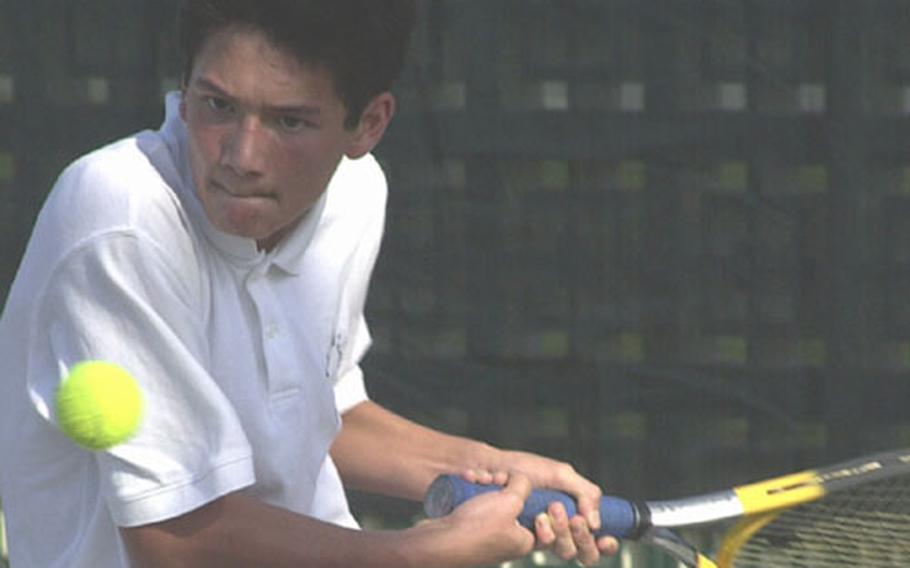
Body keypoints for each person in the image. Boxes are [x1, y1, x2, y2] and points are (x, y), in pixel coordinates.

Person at [0, 1, 618, 566]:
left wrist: (485, 466)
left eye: (289, 122)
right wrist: (417, 554)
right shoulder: (119, 218)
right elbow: (176, 541)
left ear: (368, 124)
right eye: (218, 105)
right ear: (184, 92)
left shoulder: (356, 195)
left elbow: (318, 415)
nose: (243, 155)